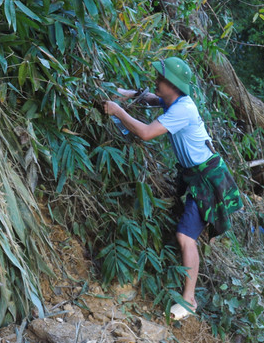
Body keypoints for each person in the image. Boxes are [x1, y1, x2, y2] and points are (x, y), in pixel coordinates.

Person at [102, 57, 243, 320]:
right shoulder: (174, 101)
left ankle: (189, 301)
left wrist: (118, 111)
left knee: (185, 237)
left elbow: (146, 132)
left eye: (161, 79)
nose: (156, 81)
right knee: (184, 232)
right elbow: (152, 99)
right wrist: (124, 94)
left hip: (207, 180)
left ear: (174, 85)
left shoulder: (183, 110)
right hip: (195, 176)